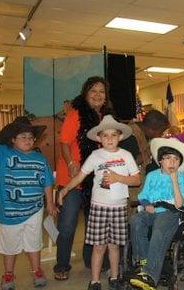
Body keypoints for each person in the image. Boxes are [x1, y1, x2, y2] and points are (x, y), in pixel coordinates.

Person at [58, 115, 141, 290]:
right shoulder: (95, 155)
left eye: (113, 135)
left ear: (120, 136)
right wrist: (65, 189)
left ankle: (114, 277)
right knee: (98, 247)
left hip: (118, 207)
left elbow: (136, 180)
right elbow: (80, 175)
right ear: (99, 138)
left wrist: (118, 177)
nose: (109, 139)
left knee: (114, 246)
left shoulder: (125, 156)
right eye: (105, 135)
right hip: (99, 207)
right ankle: (95, 280)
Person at [0, 116, 56, 290]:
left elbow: (46, 182)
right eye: (22, 137)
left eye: (30, 137)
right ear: (12, 139)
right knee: (9, 245)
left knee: (34, 242)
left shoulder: (40, 158)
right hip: (10, 211)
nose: (28, 140)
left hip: (34, 210)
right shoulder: (3, 153)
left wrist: (50, 203)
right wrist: (7, 132)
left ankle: (36, 270)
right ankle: (8, 273)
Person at [54, 76, 113, 280]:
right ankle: (62, 264)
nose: (97, 95)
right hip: (72, 177)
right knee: (68, 224)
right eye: (93, 91)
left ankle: (91, 260)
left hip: (95, 178)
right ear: (85, 93)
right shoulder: (76, 114)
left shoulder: (106, 117)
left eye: (101, 91)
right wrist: (71, 163)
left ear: (106, 97)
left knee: (93, 223)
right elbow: (64, 143)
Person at [129, 138, 184, 290]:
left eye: (176, 159)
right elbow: (143, 195)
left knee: (158, 230)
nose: (172, 162)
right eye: (168, 158)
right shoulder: (152, 176)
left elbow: (180, 204)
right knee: (136, 220)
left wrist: (174, 180)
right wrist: (147, 204)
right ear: (160, 160)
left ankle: (150, 275)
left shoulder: (181, 178)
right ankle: (143, 261)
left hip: (170, 212)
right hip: (152, 210)